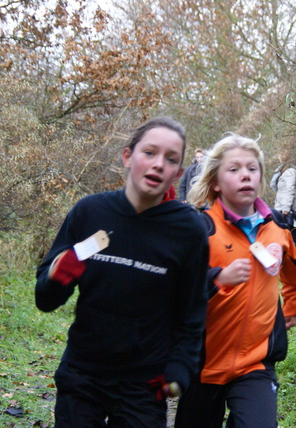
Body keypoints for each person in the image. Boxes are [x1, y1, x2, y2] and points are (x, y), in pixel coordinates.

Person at [34, 117, 209, 428]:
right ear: (128, 156)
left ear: (179, 174)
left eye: (170, 159)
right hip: (82, 373)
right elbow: (45, 300)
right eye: (149, 153)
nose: (158, 165)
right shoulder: (90, 212)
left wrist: (181, 368)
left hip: (143, 385)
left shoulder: (188, 230)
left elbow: (192, 312)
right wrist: (57, 276)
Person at [174, 134, 296, 428]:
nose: (245, 175)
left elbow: (293, 269)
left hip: (256, 361)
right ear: (215, 181)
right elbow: (177, 288)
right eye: (234, 169)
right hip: (203, 364)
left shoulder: (276, 226)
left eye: (252, 168)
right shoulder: (201, 229)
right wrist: (217, 278)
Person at [270, 150, 296, 252]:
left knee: (293, 239)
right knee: (283, 238)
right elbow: (274, 187)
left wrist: (286, 208)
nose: (278, 157)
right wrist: (277, 171)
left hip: (289, 211)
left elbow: (290, 189)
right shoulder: (283, 172)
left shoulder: (290, 172)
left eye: (280, 155)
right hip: (282, 209)